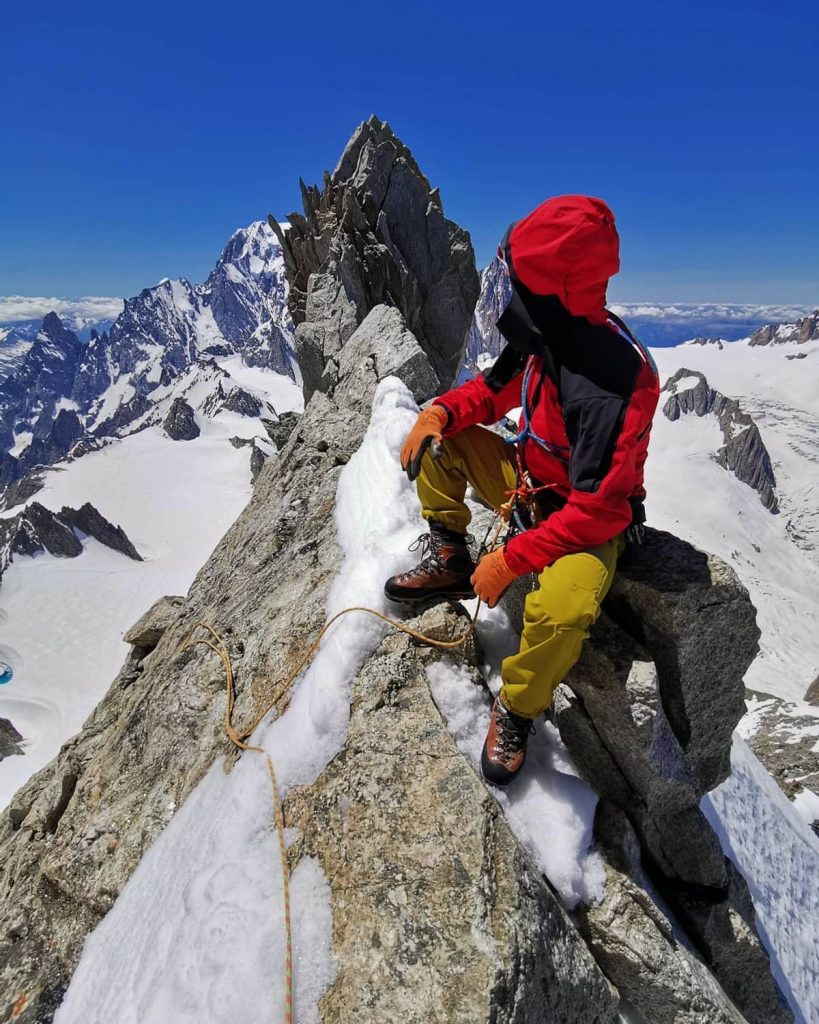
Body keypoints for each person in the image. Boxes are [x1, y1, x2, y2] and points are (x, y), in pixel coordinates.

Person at [384, 195, 660, 787]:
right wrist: (439, 413)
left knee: (563, 612)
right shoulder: (550, 334)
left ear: (556, 288)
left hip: (583, 525)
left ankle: (516, 707)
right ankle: (452, 559)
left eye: (523, 281)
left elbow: (600, 509)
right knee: (445, 443)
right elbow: (492, 391)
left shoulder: (614, 381)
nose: (512, 293)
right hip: (529, 484)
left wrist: (511, 559)